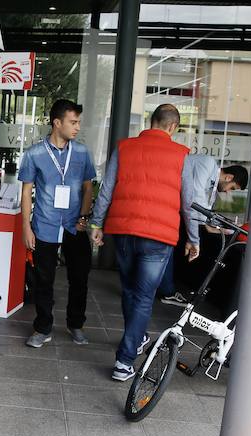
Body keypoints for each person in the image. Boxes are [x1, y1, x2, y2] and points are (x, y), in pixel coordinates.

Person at [89, 104, 200, 382]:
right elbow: (188, 202)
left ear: (152, 122)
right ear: (173, 127)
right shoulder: (182, 154)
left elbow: (107, 188)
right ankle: (124, 362)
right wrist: (194, 238)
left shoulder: (124, 147)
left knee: (129, 291)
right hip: (158, 237)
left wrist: (96, 224)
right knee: (143, 298)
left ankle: (135, 340)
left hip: (124, 231)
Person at [19, 99, 96, 347]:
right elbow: (26, 192)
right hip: (45, 224)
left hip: (75, 225)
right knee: (44, 280)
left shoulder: (82, 153)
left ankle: (76, 324)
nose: (77, 127)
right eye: (73, 122)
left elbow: (88, 188)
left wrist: (84, 216)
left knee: (79, 278)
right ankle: (43, 327)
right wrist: (26, 228)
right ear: (57, 123)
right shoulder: (35, 154)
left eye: (78, 123)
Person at [158, 156, 248, 306]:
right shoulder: (207, 164)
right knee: (166, 247)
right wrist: (197, 237)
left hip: (169, 206)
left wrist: (210, 226)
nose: (228, 192)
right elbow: (195, 199)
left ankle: (164, 288)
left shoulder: (211, 185)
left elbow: (202, 208)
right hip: (163, 202)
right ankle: (166, 291)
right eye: (231, 188)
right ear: (228, 177)